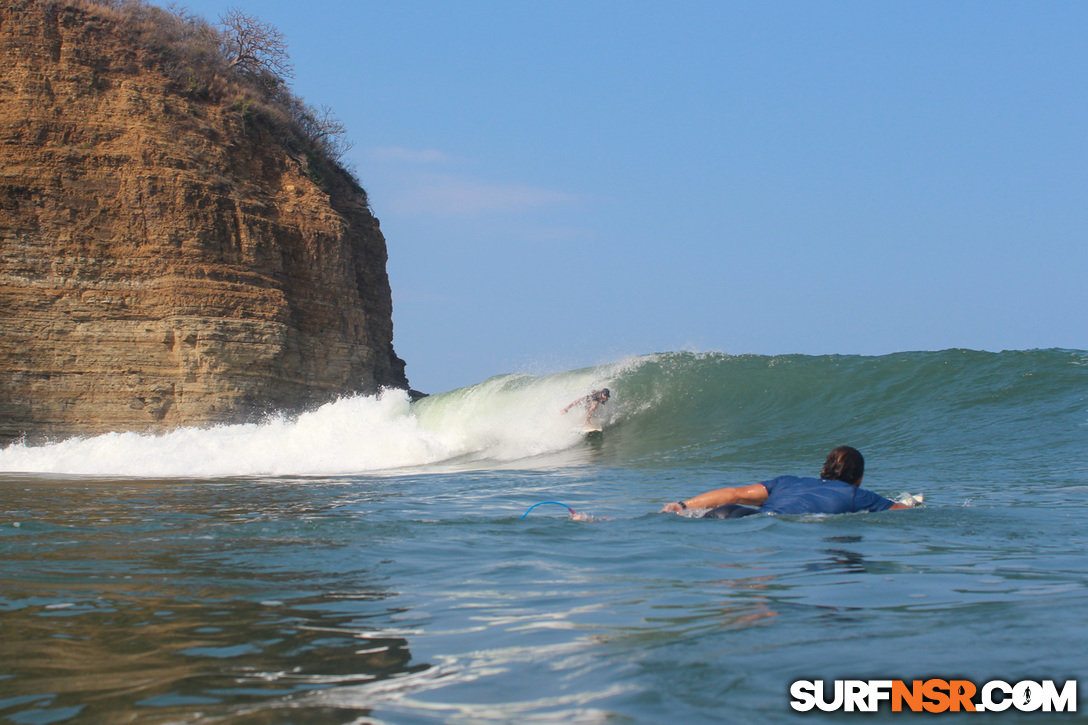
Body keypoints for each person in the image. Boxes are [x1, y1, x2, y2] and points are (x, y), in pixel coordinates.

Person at [660, 446, 910, 518]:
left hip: (733, 513)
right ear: (860, 479)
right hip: (758, 527)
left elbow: (733, 494)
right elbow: (905, 512)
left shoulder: (787, 482)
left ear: (823, 469)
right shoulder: (859, 496)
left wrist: (684, 504)